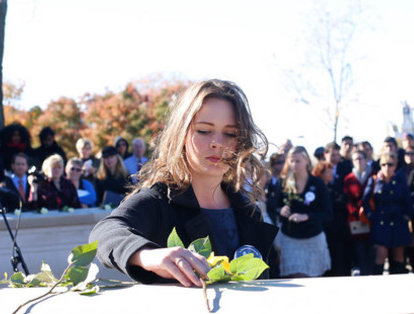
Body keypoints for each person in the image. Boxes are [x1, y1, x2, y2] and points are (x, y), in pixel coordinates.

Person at [90, 79, 277, 286]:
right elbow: (104, 233)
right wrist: (147, 256)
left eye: (230, 133)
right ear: (181, 132)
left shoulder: (246, 208)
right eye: (204, 130)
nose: (217, 143)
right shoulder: (159, 200)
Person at [276, 146, 332, 278]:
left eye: (298, 161)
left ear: (307, 161)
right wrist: (281, 210)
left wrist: (306, 216)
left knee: (313, 280)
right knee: (297, 278)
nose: (294, 165)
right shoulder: (283, 183)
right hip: (290, 239)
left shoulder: (318, 183)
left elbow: (328, 213)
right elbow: (274, 206)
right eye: (292, 161)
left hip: (313, 238)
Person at [363, 150, 413, 275]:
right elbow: (365, 201)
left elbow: (408, 202)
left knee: (398, 257)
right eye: (384, 164)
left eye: (390, 164)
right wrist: (372, 217)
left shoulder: (400, 181)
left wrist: (406, 217)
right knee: (380, 255)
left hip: (398, 222)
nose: (387, 167)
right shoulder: (374, 181)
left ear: (395, 166)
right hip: (381, 223)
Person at [343, 148, 373, 275]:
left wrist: (368, 212)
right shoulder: (349, 178)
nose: (359, 161)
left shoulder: (374, 174)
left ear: (366, 159)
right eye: (356, 159)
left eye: (361, 158)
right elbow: (347, 199)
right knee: (359, 250)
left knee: (372, 251)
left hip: (372, 218)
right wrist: (356, 212)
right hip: (356, 220)